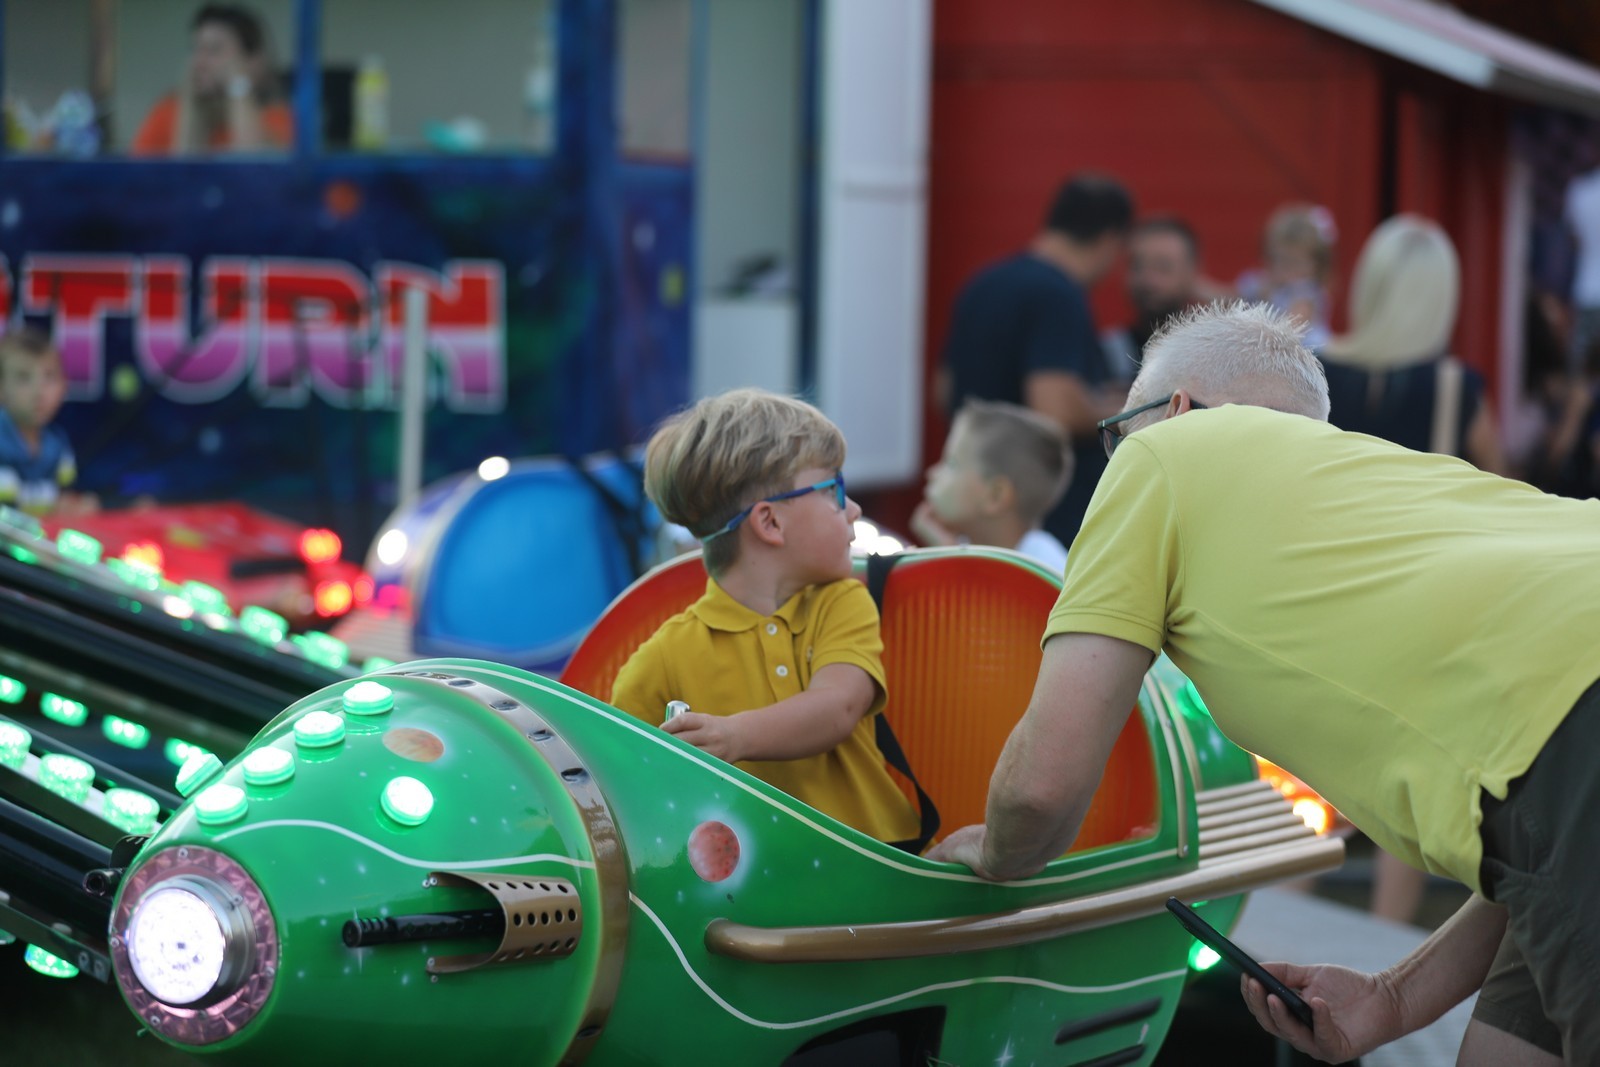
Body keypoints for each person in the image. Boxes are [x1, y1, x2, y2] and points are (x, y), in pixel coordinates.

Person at [928, 301, 1600, 1065]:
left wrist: (992, 853)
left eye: (1117, 433)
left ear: (1175, 410)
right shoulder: (1395, 487)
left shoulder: (1166, 456)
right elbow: (1545, 841)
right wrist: (1395, 997)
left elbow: (1044, 784)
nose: (1116, 456)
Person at [609, 388, 919, 845]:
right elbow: (616, 778)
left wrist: (734, 735)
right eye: (835, 489)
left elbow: (837, 708)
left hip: (881, 862)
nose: (853, 509)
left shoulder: (841, 603)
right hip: (750, 894)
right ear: (770, 522)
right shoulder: (664, 656)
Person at [939, 172, 1133, 546]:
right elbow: (1053, 407)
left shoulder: (983, 284)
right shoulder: (1058, 294)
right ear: (1110, 241)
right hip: (1041, 520)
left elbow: (943, 389)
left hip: (977, 504)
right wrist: (1114, 407)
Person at [910, 399, 1072, 573]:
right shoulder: (967, 546)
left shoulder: (1046, 570)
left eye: (951, 464)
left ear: (995, 496)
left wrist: (950, 556)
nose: (932, 473)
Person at [131, 4, 292, 156]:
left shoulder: (276, 117)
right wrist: (192, 106)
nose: (199, 62)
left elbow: (255, 171)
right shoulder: (166, 112)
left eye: (214, 50)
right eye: (196, 49)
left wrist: (238, 84)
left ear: (253, 61)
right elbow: (139, 180)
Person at [0, 327, 96, 516]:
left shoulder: (58, 443)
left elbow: (66, 497)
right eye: (23, 378)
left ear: (64, 387)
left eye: (50, 377)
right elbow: (7, 521)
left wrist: (79, 506)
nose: (39, 392)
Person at [1101, 216, 1203, 381]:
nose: (1148, 280)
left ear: (1192, 272)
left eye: (1163, 268)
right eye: (1138, 267)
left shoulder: (1213, 353)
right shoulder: (1106, 351)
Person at [1235, 203, 1337, 349]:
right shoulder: (1265, 283)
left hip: (1307, 356)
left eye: (1294, 262)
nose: (1285, 269)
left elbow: (1293, 327)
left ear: (1316, 266)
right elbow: (1228, 297)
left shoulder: (1305, 292)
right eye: (1279, 260)